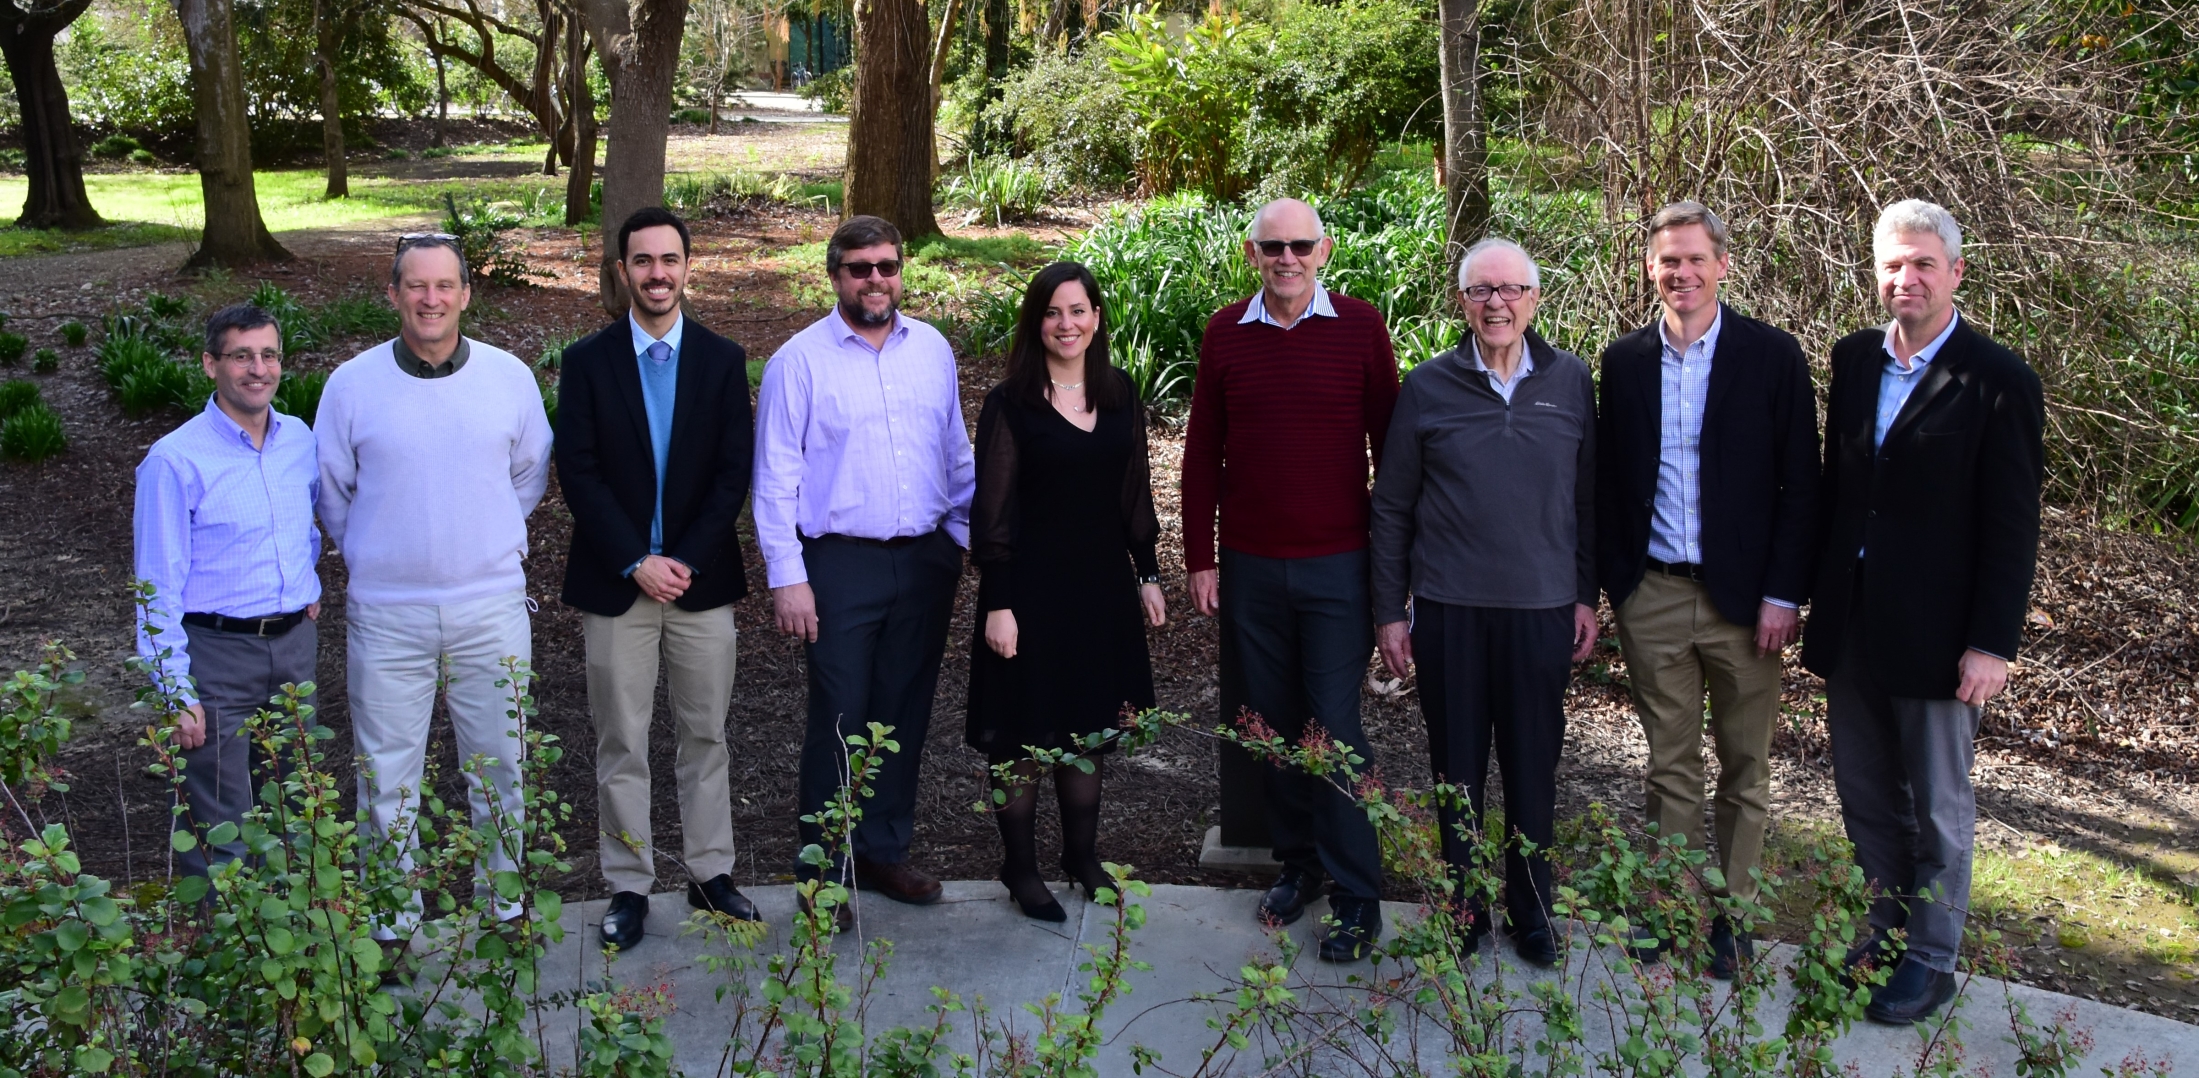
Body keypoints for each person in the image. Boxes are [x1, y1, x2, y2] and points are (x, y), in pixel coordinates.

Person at [1802, 199, 2043, 1024]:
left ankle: (1932, 959)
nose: (1905, 278)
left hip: (1943, 637)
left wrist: (1990, 643)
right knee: (1866, 796)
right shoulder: (1855, 360)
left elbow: (2011, 527)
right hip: (1853, 620)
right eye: (1892, 265)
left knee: (1938, 805)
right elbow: (1842, 493)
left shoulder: (1998, 380)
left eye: (1922, 265)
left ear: (1955, 273)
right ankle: (1884, 932)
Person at [317, 233, 554, 974]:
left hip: (489, 604)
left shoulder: (508, 378)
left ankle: (507, 907)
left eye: (444, 285)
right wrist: (378, 551)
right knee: (386, 772)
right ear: (392, 295)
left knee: (501, 762)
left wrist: (481, 540)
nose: (430, 298)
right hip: (388, 612)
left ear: (464, 294)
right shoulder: (351, 385)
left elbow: (528, 474)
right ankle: (390, 920)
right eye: (414, 285)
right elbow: (333, 494)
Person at [1594, 202, 1818, 978]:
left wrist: (1783, 594)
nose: (1680, 273)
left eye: (1693, 259)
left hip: (1746, 603)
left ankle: (1735, 918)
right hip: (1651, 593)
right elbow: (1606, 483)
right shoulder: (1622, 361)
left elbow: (1801, 489)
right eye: (1666, 261)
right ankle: (1660, 910)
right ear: (1649, 270)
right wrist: (1613, 586)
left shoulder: (1771, 356)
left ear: (1722, 264)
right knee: (1668, 767)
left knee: (1744, 767)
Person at [1181, 197, 1399, 962]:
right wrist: (1200, 559)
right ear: (1250, 254)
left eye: (1299, 245)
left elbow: (1391, 457)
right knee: (1269, 730)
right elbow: (1202, 452)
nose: (1286, 258)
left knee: (1335, 733)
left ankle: (1356, 895)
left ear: (1323, 250)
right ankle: (1298, 865)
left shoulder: (1361, 328)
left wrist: (1389, 579)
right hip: (1249, 565)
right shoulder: (1223, 334)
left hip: (1337, 566)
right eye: (1271, 246)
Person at [1370, 238, 1597, 969]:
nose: (1495, 303)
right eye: (1479, 291)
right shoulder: (1428, 387)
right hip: (1449, 611)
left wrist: (1584, 596)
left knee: (1533, 767)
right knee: (1456, 769)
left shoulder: (1571, 383)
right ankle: (1464, 908)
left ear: (1534, 298)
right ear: (1460, 300)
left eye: (1509, 289)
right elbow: (1392, 509)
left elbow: (1586, 501)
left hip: (1540, 611)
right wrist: (1389, 612)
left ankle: (1532, 911)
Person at [753, 214, 976, 928]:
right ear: (834, 275)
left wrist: (963, 540)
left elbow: (955, 450)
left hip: (924, 561)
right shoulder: (799, 361)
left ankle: (882, 850)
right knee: (840, 721)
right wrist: (788, 576)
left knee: (902, 714)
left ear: (901, 270)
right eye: (859, 268)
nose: (875, 279)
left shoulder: (931, 350)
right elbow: (774, 479)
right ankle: (821, 875)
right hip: (837, 565)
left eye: (886, 265)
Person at [555, 207, 758, 951]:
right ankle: (629, 885)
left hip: (700, 585)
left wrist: (685, 560)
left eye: (669, 260)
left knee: (705, 735)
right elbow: (576, 470)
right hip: (617, 586)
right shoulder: (587, 362)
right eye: (642, 261)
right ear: (621, 272)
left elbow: (733, 470)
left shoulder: (721, 357)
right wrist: (635, 559)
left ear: (687, 266)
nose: (657, 274)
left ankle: (710, 874)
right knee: (623, 742)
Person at [966, 261, 1165, 923]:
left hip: (1099, 592)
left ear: (1096, 318)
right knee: (1022, 734)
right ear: (1035, 323)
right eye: (1052, 312)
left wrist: (1146, 572)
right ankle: (1019, 868)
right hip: (1027, 596)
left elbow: (1133, 492)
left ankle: (1081, 857)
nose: (1066, 324)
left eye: (1077, 310)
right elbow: (991, 516)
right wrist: (998, 601)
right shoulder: (1011, 405)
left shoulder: (1117, 394)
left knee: (1085, 728)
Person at [134, 304, 322, 878]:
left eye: (268, 355)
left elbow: (306, 524)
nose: (257, 369)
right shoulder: (174, 460)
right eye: (241, 356)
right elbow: (155, 586)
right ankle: (225, 956)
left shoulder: (299, 440)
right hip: (215, 656)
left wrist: (305, 585)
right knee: (219, 822)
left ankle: (304, 946)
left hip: (293, 646)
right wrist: (174, 688)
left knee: (298, 808)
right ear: (210, 363)